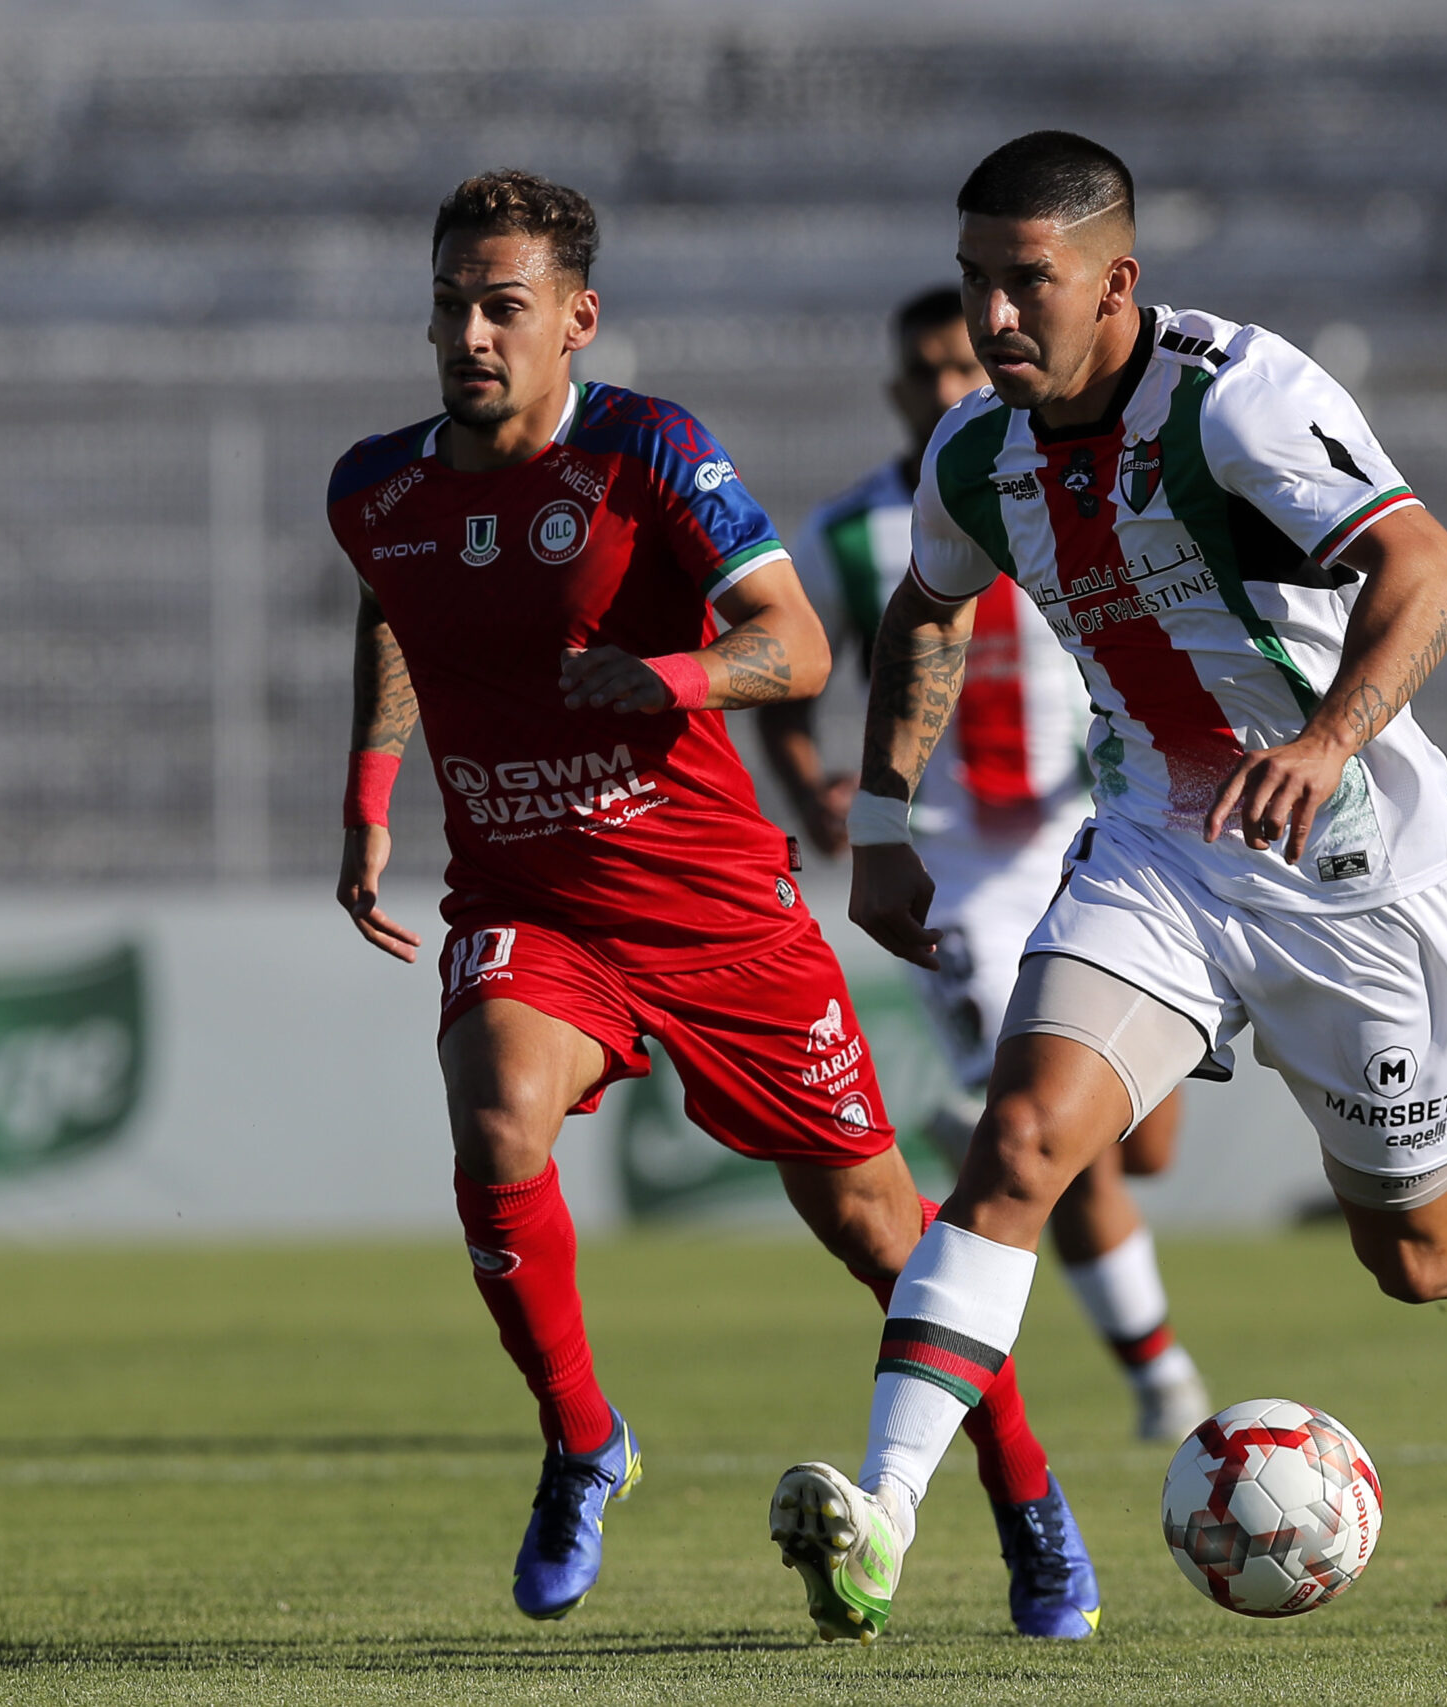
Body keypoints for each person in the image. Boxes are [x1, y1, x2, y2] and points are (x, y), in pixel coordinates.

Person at [763, 131, 1447, 1645]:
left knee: (1418, 1249)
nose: (992, 320)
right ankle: (885, 1521)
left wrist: (1322, 742)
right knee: (1021, 1144)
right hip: (1159, 854)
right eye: (978, 282)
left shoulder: (1240, 397)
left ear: (1115, 281)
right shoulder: (976, 455)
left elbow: (1433, 571)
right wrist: (887, 820)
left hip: (1352, 874)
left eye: (1025, 285)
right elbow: (927, 606)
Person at [326, 170, 1098, 1638]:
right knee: (495, 1125)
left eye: (503, 307)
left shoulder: (648, 451)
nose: (469, 335)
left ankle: (1027, 1494)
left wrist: (668, 676)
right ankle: (581, 1441)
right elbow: (392, 599)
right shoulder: (379, 486)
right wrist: (369, 795)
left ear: (575, 321)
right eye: (449, 305)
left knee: (885, 1233)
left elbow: (797, 646)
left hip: (716, 911)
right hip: (529, 900)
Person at [762, 285, 1210, 1442]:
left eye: (963, 367)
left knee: (1135, 1146)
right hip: (957, 873)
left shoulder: (1065, 486)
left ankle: (1018, 1145)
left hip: (1100, 833)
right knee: (1049, 1147)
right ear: (898, 389)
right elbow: (785, 656)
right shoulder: (854, 531)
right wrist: (818, 780)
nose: (948, 387)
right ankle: (1162, 1380)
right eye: (925, 372)